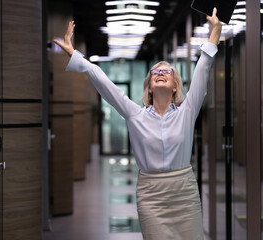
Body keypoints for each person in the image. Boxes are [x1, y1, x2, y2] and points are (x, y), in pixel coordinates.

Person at [55, 7, 222, 240]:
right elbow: (105, 84)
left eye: (167, 71)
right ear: (149, 87)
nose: (160, 72)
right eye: (155, 72)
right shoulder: (135, 115)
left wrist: (215, 30)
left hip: (183, 192)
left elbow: (203, 67)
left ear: (175, 86)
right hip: (150, 193)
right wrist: (76, 56)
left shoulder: (187, 111)